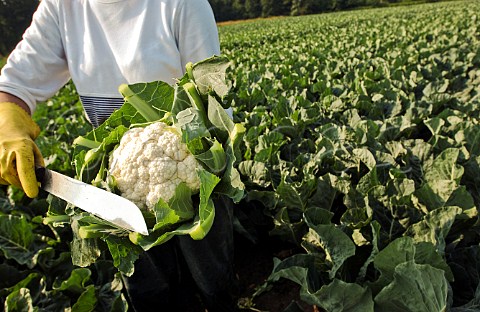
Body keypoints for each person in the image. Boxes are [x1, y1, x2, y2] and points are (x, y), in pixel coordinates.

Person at [0, 1, 237, 311]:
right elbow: (15, 83)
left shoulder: (182, 4)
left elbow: (212, 103)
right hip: (118, 191)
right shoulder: (62, 6)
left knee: (213, 283)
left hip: (198, 178)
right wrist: (7, 121)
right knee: (150, 294)